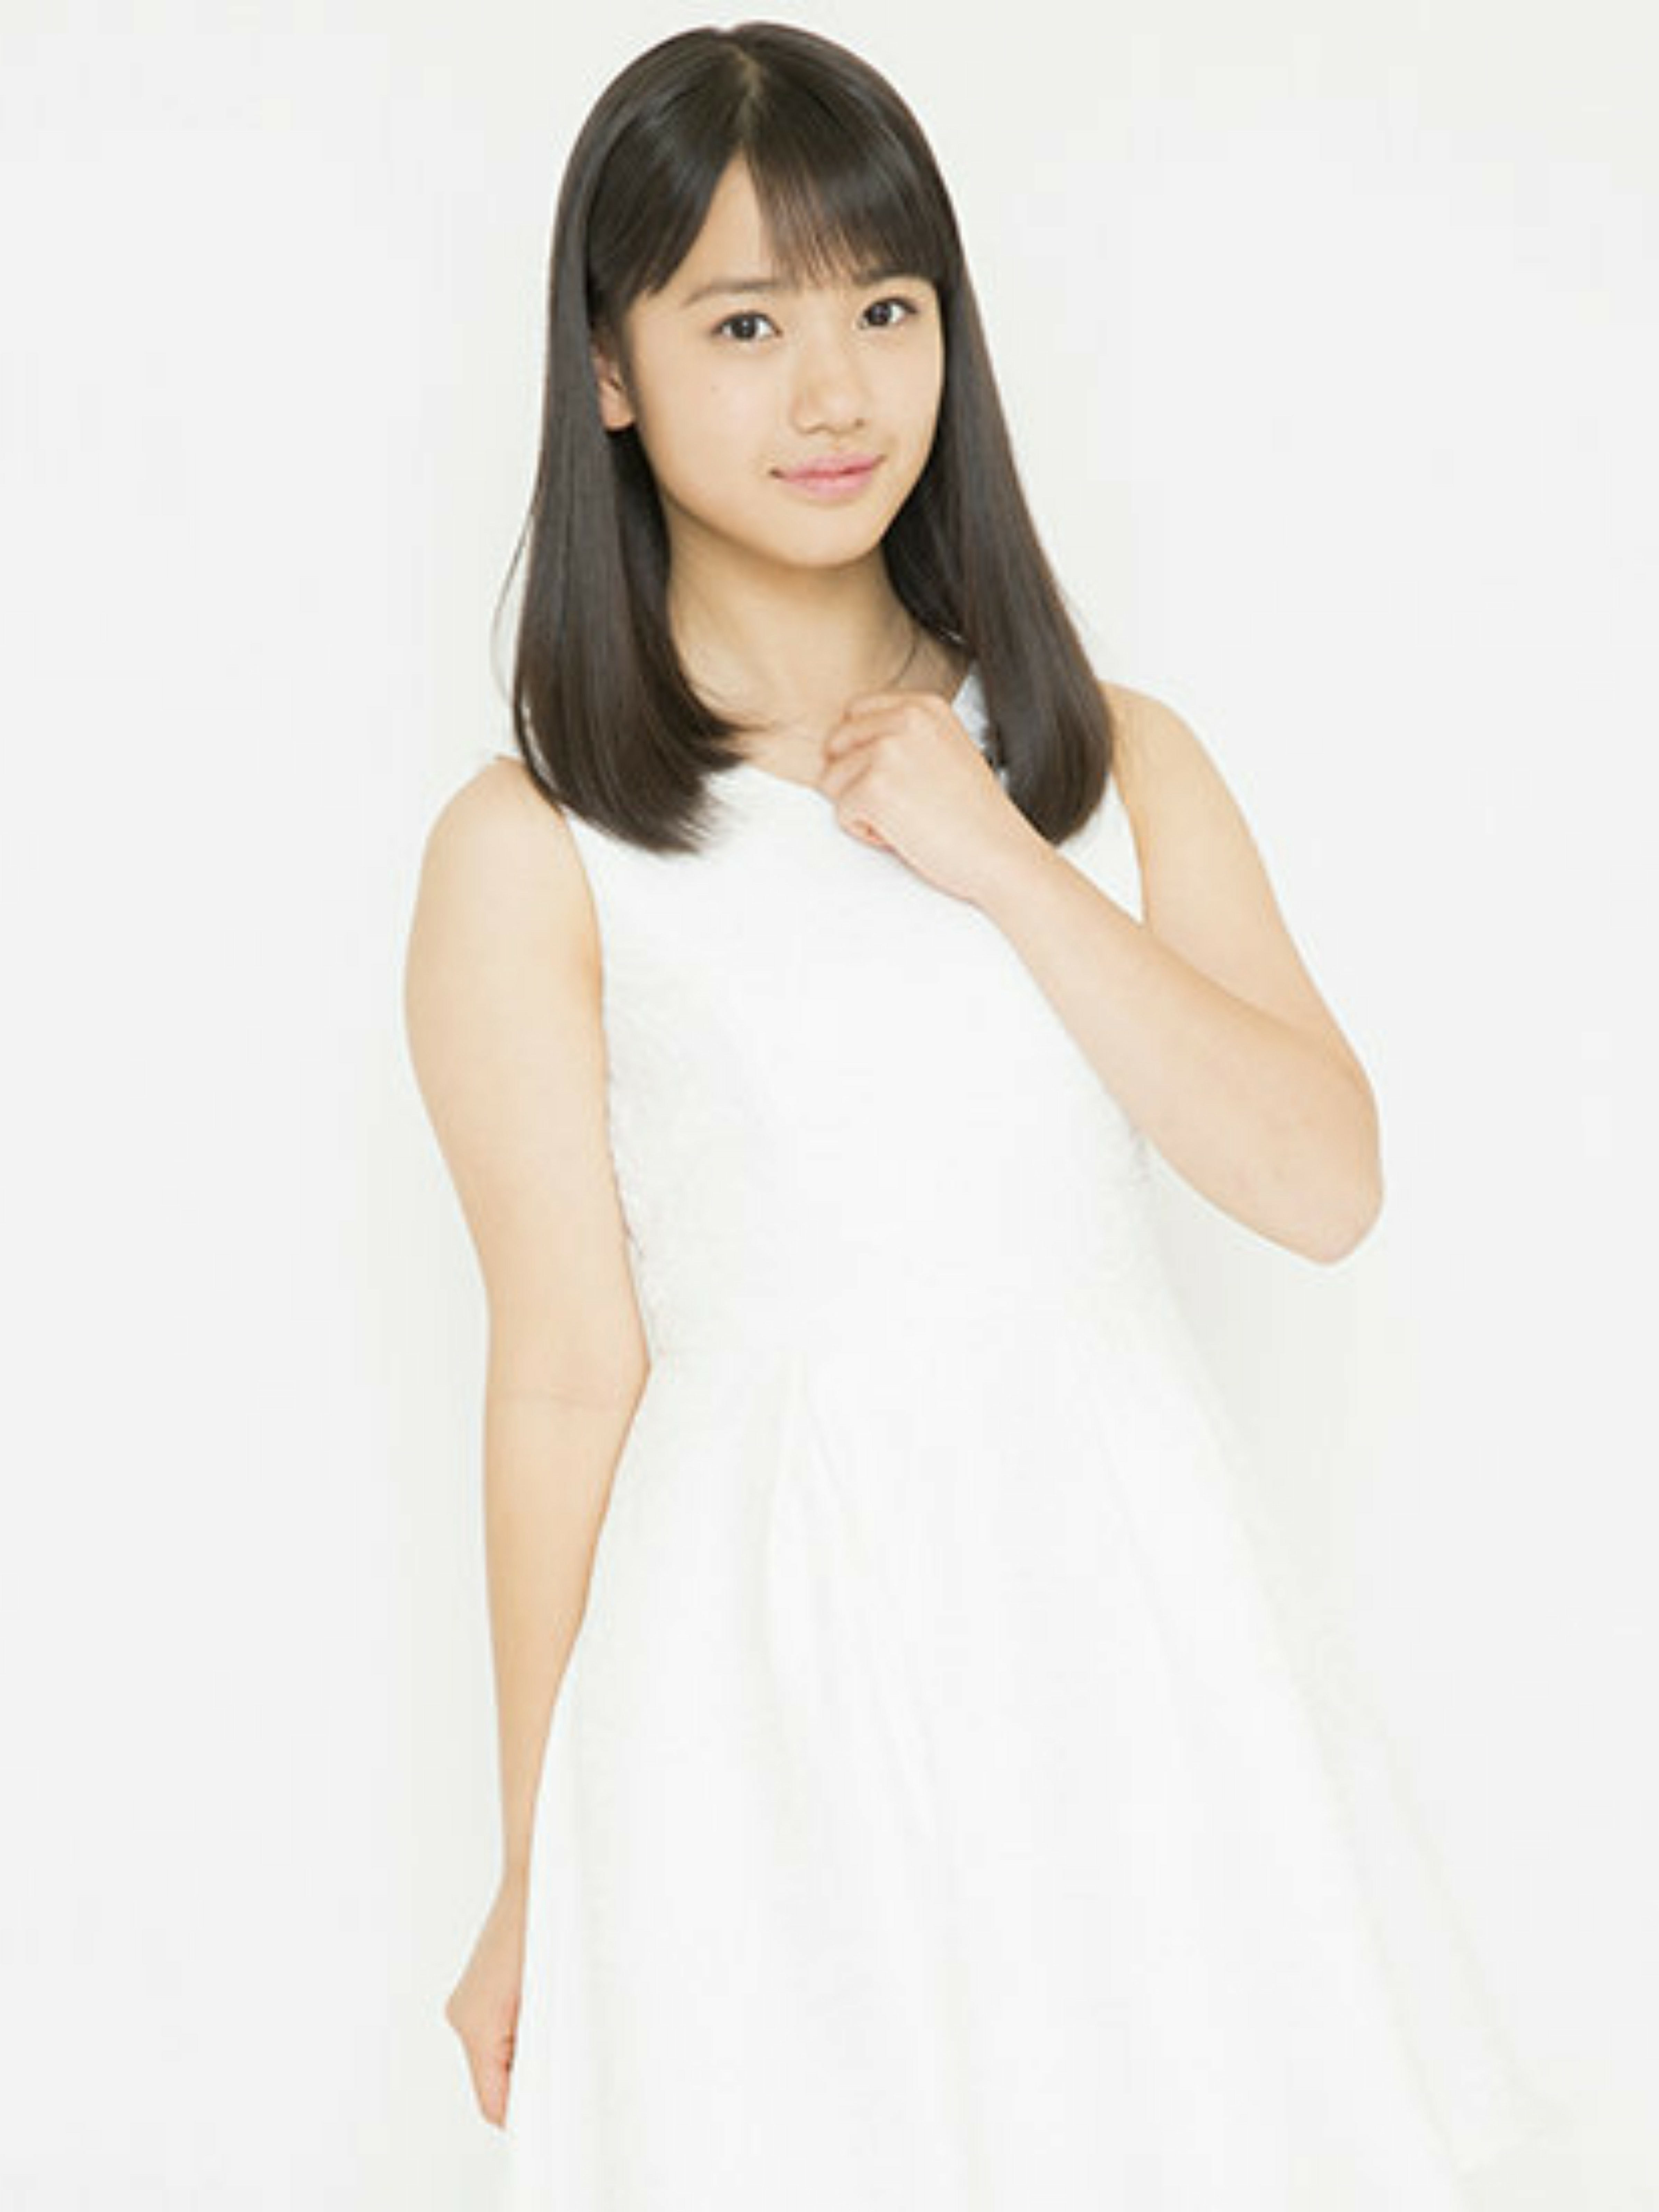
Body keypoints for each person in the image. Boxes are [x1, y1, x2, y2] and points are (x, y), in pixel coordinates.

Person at [402, 22, 1584, 2210]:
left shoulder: (1112, 763)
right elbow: (565, 1377)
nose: (834, 390)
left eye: (886, 307)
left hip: (1129, 1649)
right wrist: (532, 1865)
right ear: (610, 370)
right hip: (760, 1677)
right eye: (743, 324)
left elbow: (1323, 1183)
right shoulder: (538, 850)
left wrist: (1003, 859)